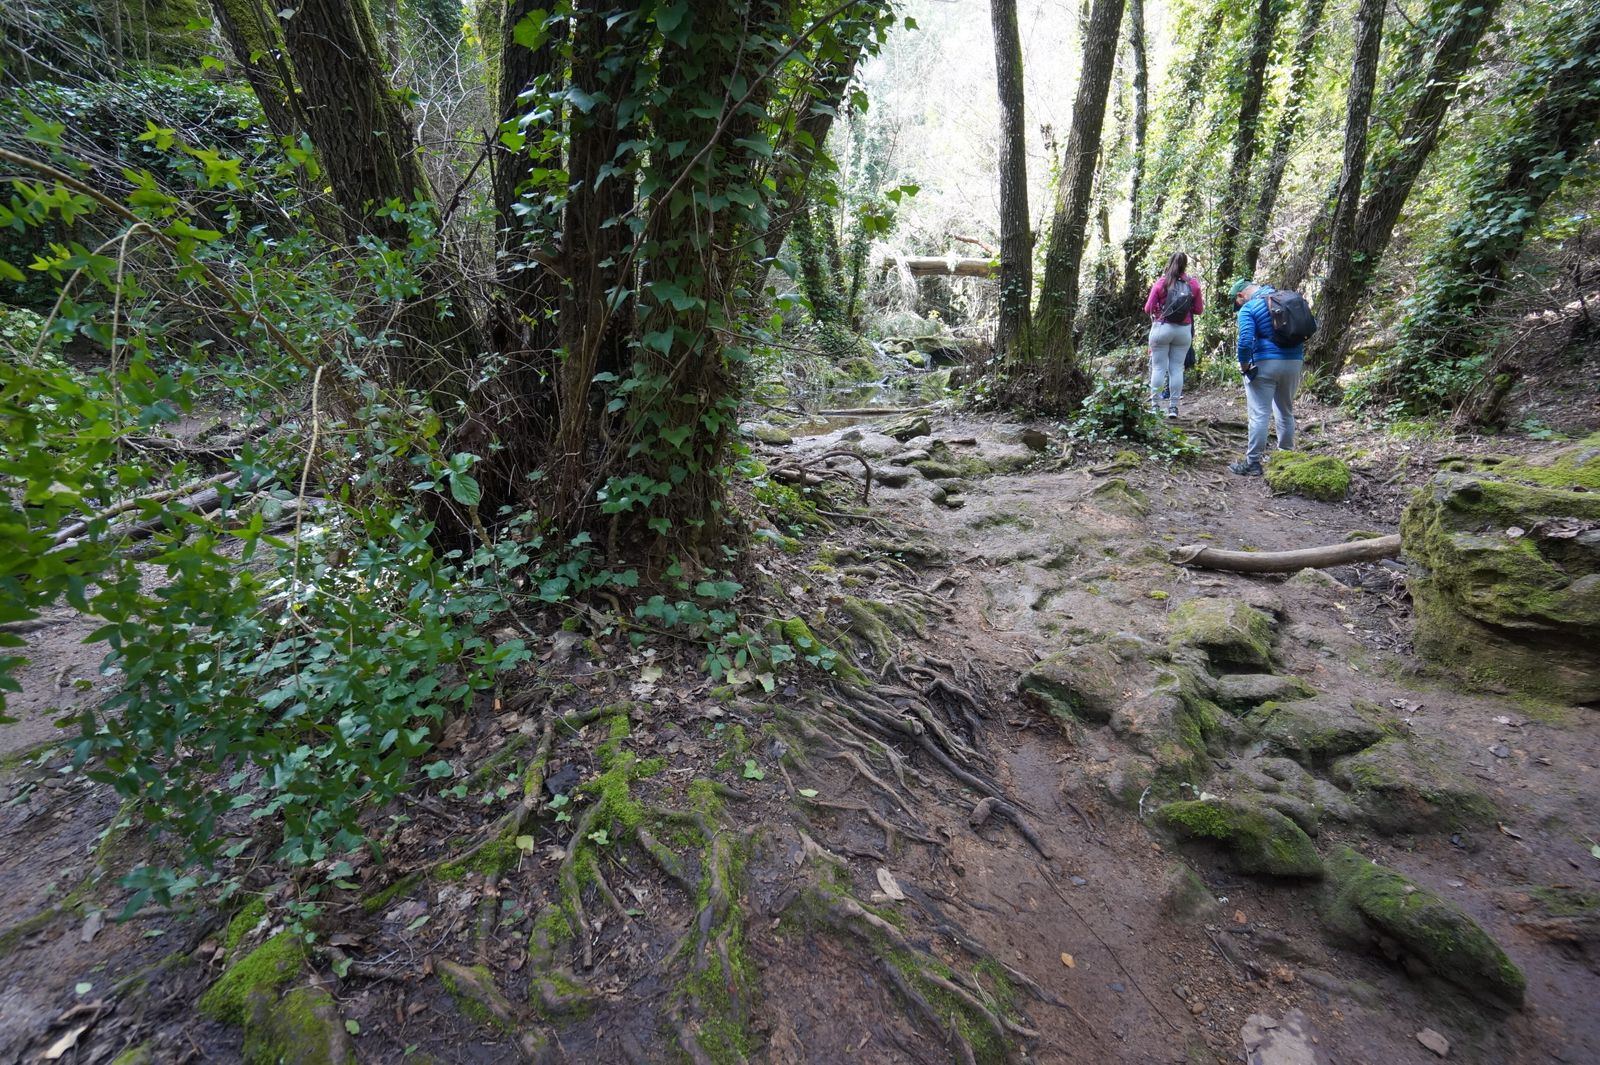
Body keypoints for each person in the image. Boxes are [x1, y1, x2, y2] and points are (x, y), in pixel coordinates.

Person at [1228, 278, 1304, 476]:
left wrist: (1245, 366)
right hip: (1294, 362)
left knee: (1259, 413)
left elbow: (1245, 341)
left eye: (1238, 304)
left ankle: (1253, 463)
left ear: (1241, 295)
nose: (1239, 307)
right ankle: (1286, 457)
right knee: (1285, 410)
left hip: (1265, 364)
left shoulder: (1249, 308)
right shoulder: (1286, 299)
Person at [1142, 252, 1203, 418]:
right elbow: (1198, 310)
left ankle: (1155, 406)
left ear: (1170, 263)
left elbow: (1148, 308)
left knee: (1158, 368)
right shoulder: (1193, 284)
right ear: (1186, 265)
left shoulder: (1162, 282)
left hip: (1162, 327)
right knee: (1177, 368)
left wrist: (1158, 310)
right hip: (1183, 331)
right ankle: (1173, 408)